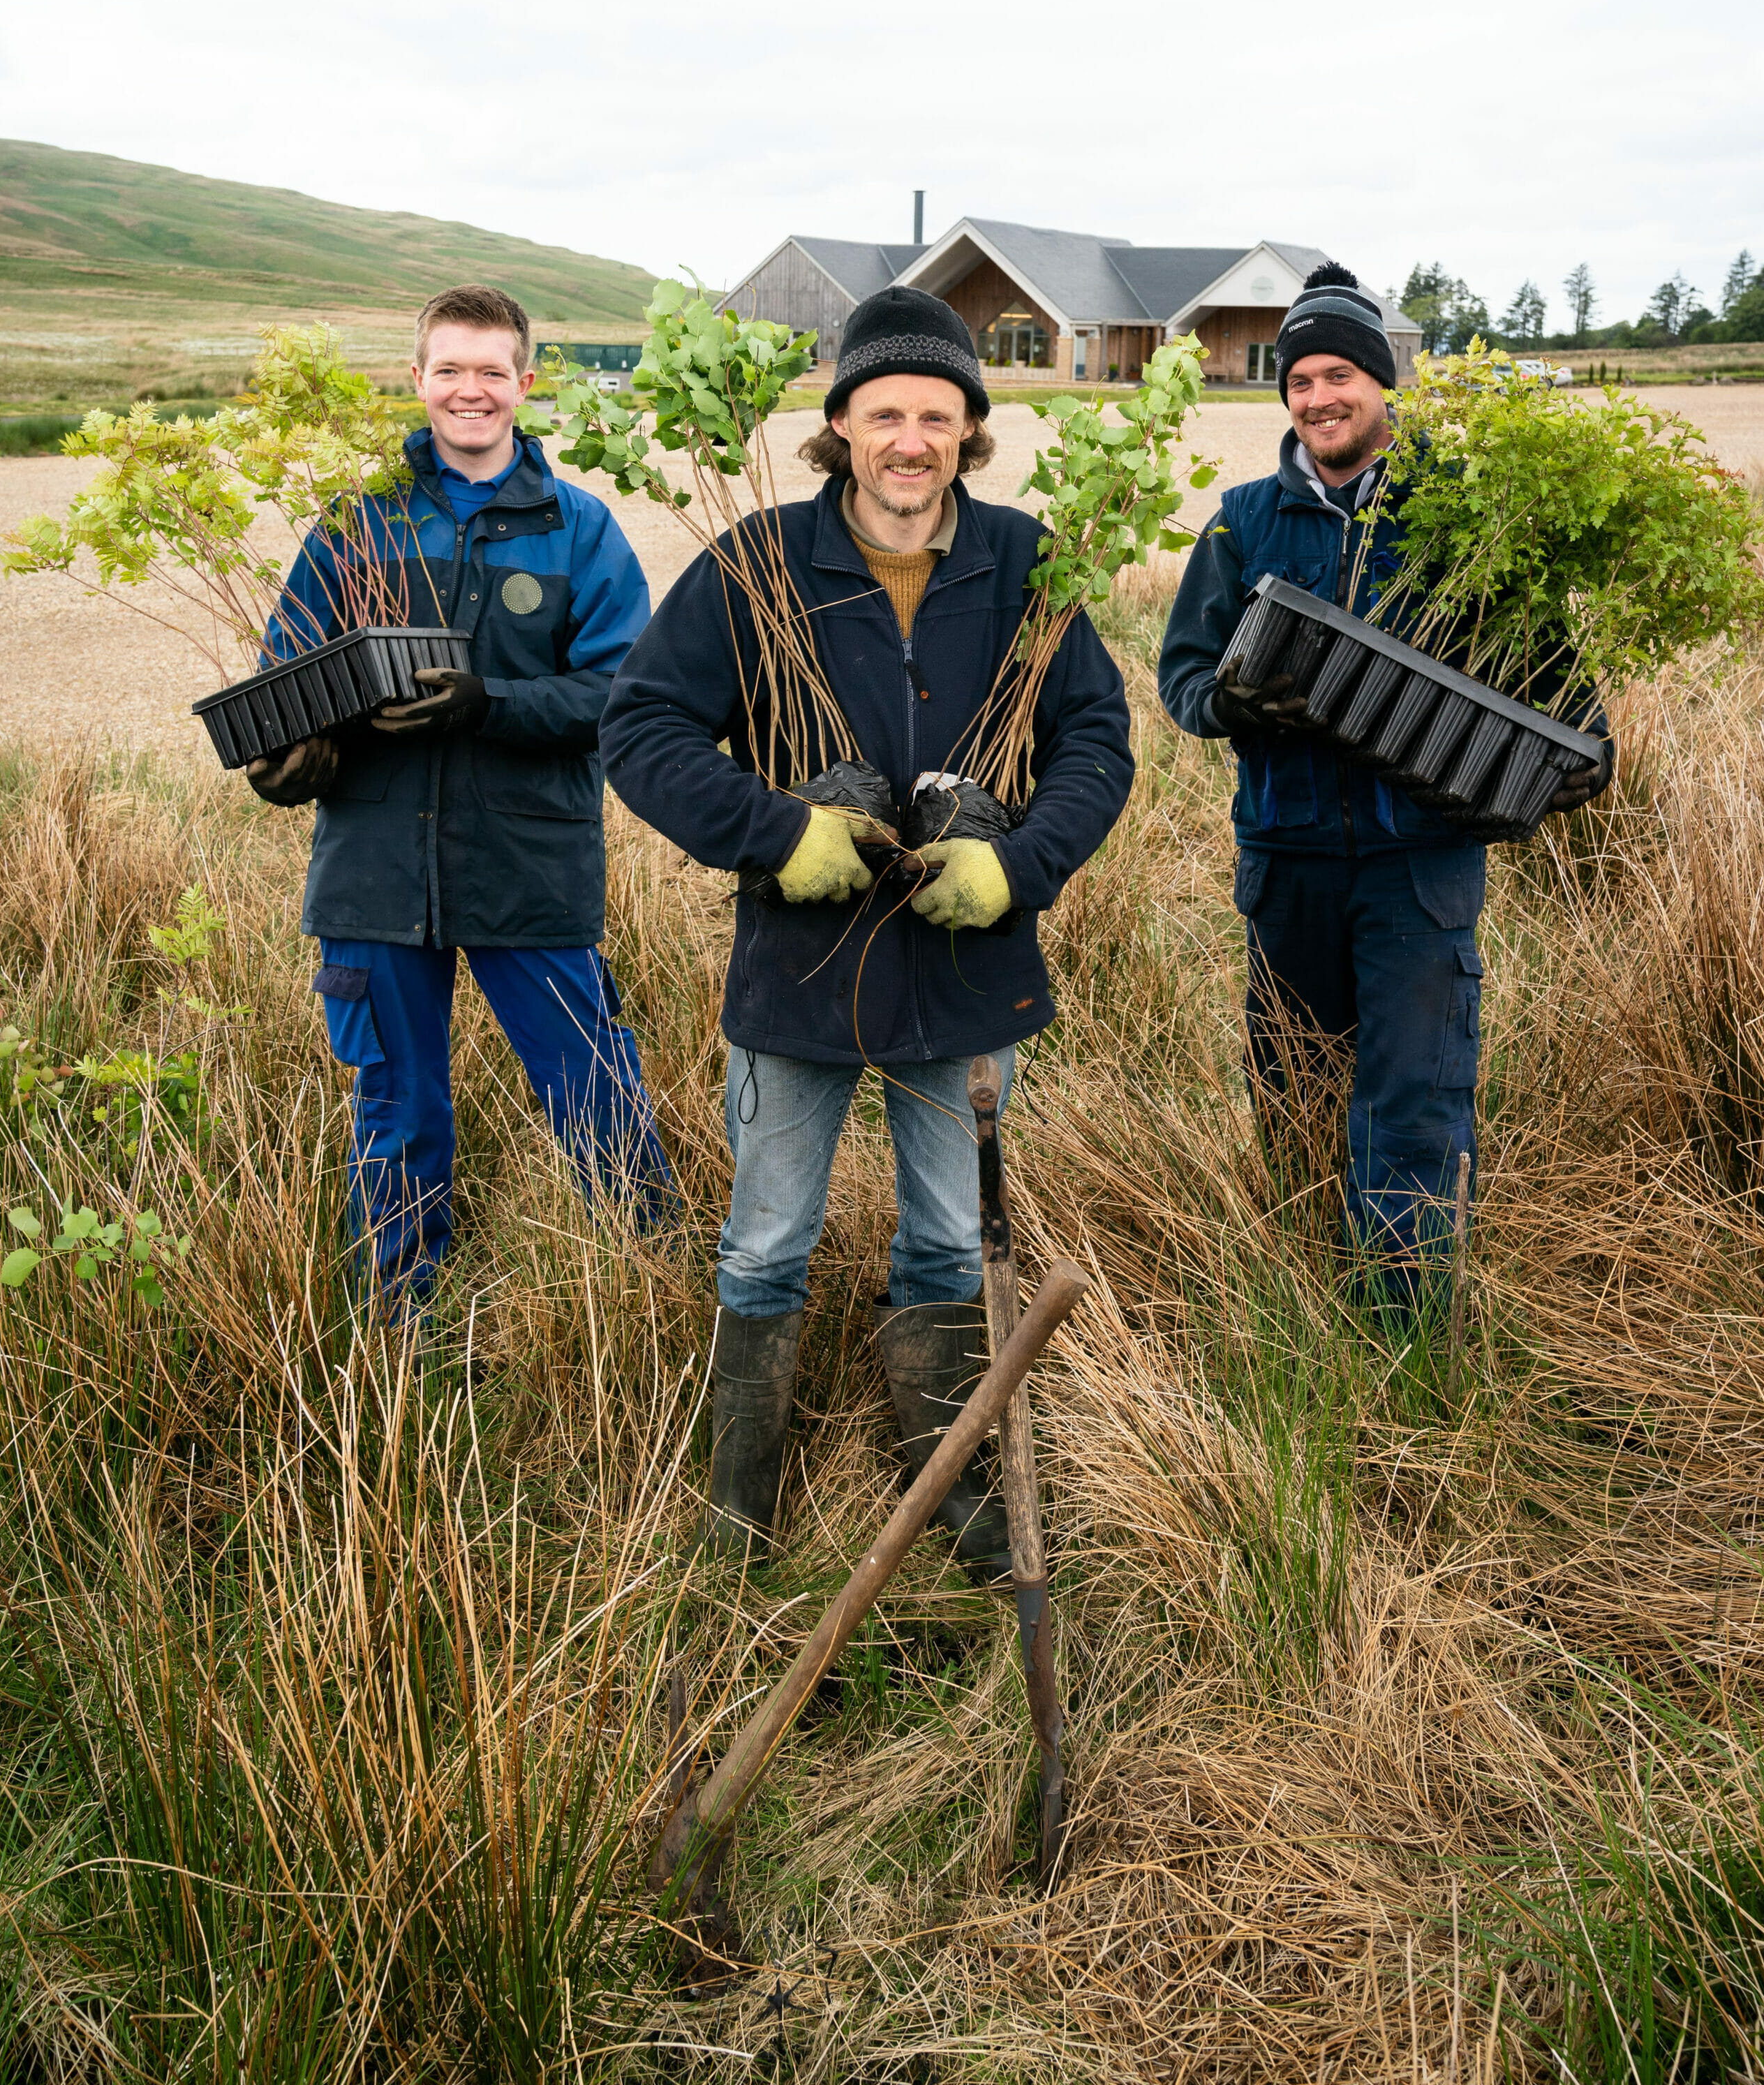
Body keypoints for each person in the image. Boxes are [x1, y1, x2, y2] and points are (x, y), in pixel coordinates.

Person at [600, 287, 1134, 1573]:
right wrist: (781, 834)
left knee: (952, 1239)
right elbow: (641, 731)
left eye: (937, 416)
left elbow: (1098, 745)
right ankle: (739, 1519)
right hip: (801, 968)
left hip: (966, 969)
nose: (911, 438)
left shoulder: (1028, 567)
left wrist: (1018, 870)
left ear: (970, 431)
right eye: (884, 412)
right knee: (769, 1241)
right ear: (840, 425)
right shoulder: (755, 565)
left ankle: (949, 1500)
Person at [1157, 263, 1606, 1316]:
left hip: (1421, 865)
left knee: (1413, 1100)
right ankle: (1304, 1306)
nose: (1320, 397)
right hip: (1288, 856)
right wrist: (1235, 703)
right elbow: (1181, 675)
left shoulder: (1462, 519)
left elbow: (1557, 688)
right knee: (1295, 1091)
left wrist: (1585, 757)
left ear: (1384, 384)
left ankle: (1404, 1332)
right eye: (1300, 380)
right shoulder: (1241, 524)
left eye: (1341, 376)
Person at [244, 283, 673, 1318]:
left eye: (492, 371)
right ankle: (403, 1329)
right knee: (397, 1109)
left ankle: (653, 1296)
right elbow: (286, 668)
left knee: (594, 1091)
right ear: (418, 378)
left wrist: (489, 704)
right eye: (450, 369)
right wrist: (287, 748)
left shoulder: (578, 531)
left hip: (530, 864)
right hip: (378, 872)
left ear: (527, 384)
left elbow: (624, 692)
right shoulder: (358, 522)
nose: (470, 390)